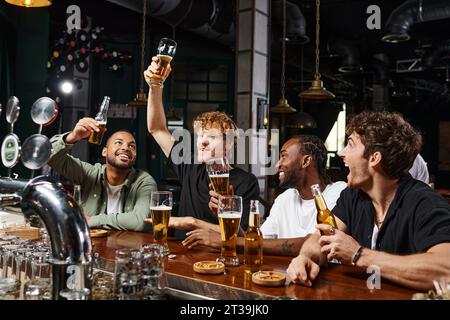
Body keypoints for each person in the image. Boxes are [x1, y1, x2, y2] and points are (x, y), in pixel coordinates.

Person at [287, 111, 450, 290]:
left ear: (374, 158)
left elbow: (446, 271)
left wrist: (358, 255)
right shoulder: (353, 196)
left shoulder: (425, 203)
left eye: (350, 144)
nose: (342, 153)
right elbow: (321, 238)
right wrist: (305, 257)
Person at [145, 56, 259, 238]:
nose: (203, 141)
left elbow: (242, 236)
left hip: (219, 260)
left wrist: (192, 223)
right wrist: (155, 86)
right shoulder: (189, 166)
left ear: (228, 143)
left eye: (212, 136)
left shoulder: (246, 182)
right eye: (200, 136)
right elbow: (157, 129)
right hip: (182, 257)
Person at [180, 135, 347, 256]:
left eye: (283, 156)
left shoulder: (338, 193)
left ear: (305, 161)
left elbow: (316, 242)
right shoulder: (284, 199)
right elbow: (253, 241)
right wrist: (228, 212)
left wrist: (227, 242)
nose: (277, 164)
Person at [48, 117, 157, 231]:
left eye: (132, 146)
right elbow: (48, 155)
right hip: (93, 245)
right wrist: (73, 136)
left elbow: (140, 221)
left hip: (128, 247)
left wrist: (91, 220)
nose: (125, 148)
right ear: (104, 151)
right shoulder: (90, 173)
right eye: (118, 142)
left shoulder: (144, 181)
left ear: (135, 155)